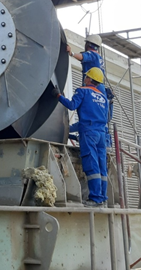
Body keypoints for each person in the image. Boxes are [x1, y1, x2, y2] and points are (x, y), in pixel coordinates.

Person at [56, 66, 109, 205]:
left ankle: (95, 198)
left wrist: (58, 96)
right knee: (102, 166)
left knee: (91, 164)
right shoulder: (103, 97)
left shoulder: (83, 91)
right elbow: (105, 117)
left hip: (89, 133)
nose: (85, 78)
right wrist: (69, 129)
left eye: (86, 76)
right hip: (101, 134)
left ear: (89, 79)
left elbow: (72, 105)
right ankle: (102, 197)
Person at [67, 34, 115, 148]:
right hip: (100, 88)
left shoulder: (92, 55)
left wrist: (71, 53)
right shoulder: (100, 58)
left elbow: (83, 57)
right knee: (98, 115)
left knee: (89, 115)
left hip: (93, 88)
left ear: (88, 44)